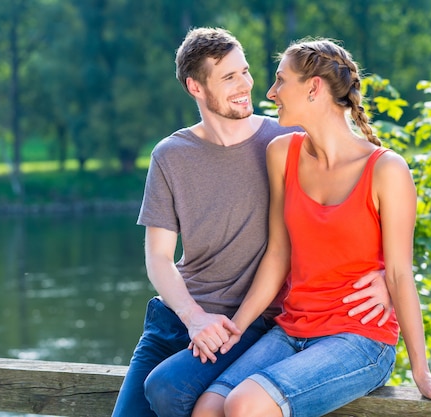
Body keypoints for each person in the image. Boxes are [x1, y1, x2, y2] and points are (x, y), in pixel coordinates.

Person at [191, 38, 431, 417]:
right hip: (293, 330)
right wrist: (235, 328)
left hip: (361, 340)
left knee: (244, 405)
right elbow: (278, 254)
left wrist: (422, 370)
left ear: (314, 87)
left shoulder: (387, 170)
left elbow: (399, 274)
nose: (270, 92)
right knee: (207, 407)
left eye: (281, 81)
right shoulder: (282, 154)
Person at [111, 28, 393, 417]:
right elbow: (159, 258)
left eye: (245, 71)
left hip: (248, 322)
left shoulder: (287, 139)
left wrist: (385, 275)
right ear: (195, 87)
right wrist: (193, 319)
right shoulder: (170, 156)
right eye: (229, 77)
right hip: (176, 317)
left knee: (170, 390)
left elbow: (363, 190)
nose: (246, 84)